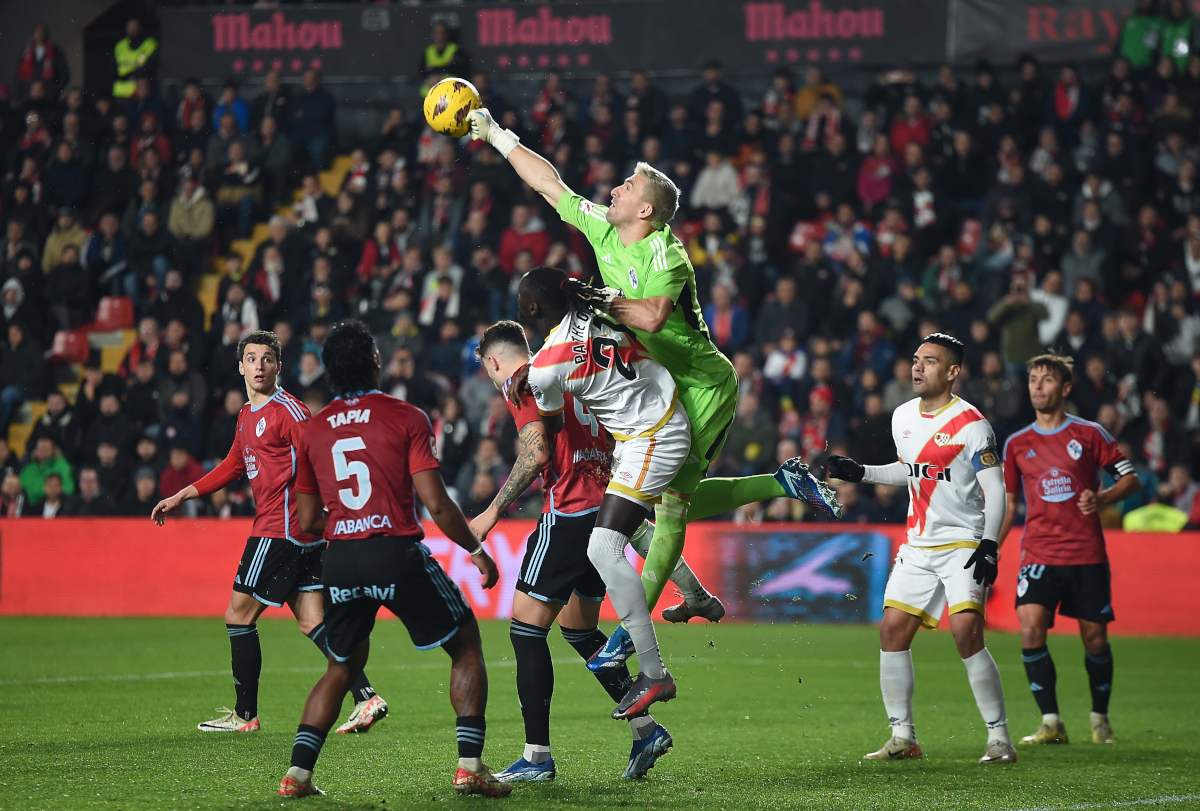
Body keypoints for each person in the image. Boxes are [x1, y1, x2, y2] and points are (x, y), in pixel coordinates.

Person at [468, 106, 839, 668]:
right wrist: (497, 135)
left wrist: (601, 301)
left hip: (700, 385)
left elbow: (654, 317)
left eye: (627, 185)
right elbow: (550, 184)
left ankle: (628, 642)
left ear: (646, 209)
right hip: (655, 386)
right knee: (665, 502)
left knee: (669, 510)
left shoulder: (666, 252)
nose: (613, 189)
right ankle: (779, 485)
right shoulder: (604, 230)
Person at [471, 320, 723, 781]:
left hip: (568, 513)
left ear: (492, 361)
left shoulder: (522, 382)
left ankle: (536, 758)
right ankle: (645, 730)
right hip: (608, 509)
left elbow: (536, 454)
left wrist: (491, 512)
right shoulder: (572, 368)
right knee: (579, 630)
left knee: (525, 631)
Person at [279, 320, 509, 799]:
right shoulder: (407, 417)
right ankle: (469, 766)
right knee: (465, 644)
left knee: (341, 665)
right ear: (375, 363)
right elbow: (439, 504)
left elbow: (306, 520)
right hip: (394, 551)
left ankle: (297, 776)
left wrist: (346, 526)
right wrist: (476, 550)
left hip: (341, 559)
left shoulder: (312, 430)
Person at [151, 331, 387, 736]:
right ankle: (367, 697)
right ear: (240, 366)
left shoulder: (288, 411)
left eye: (267, 359)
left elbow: (320, 452)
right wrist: (183, 494)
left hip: (282, 529)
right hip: (301, 533)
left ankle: (246, 716)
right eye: (251, 358)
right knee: (312, 620)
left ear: (279, 366)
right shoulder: (247, 416)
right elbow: (232, 465)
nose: (259, 366)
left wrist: (338, 507)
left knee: (237, 616)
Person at [826, 333, 1016, 764]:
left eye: (929, 362)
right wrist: (861, 473)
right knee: (892, 632)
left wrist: (989, 544)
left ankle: (999, 739)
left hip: (962, 544)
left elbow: (996, 490)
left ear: (952, 372)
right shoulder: (902, 416)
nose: (918, 367)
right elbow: (908, 471)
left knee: (966, 632)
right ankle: (903, 737)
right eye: (916, 359)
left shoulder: (972, 425)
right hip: (918, 544)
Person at [516, 267, 685, 721]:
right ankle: (695, 595)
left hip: (652, 435)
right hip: (654, 425)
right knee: (648, 525)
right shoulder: (602, 305)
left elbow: (550, 431)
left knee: (604, 548)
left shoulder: (545, 364)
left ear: (531, 309)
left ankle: (653, 671)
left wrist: (529, 383)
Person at [998, 353, 1141, 746]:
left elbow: (1132, 479)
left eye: (1045, 380)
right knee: (1030, 629)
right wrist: (992, 547)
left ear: (1064, 388)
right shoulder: (1016, 444)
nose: (1037, 386)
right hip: (1039, 554)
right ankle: (1051, 722)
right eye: (1032, 379)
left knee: (1095, 639)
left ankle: (1100, 719)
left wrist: (1105, 496)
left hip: (1086, 554)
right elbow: (1010, 505)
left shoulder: (1090, 434)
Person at [112, 18, 158, 101]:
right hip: (121, 92)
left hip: (140, 92)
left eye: (134, 26)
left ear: (140, 28)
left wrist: (130, 74)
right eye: (129, 27)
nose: (132, 29)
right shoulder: (120, 45)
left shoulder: (149, 44)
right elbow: (112, 66)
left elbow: (151, 66)